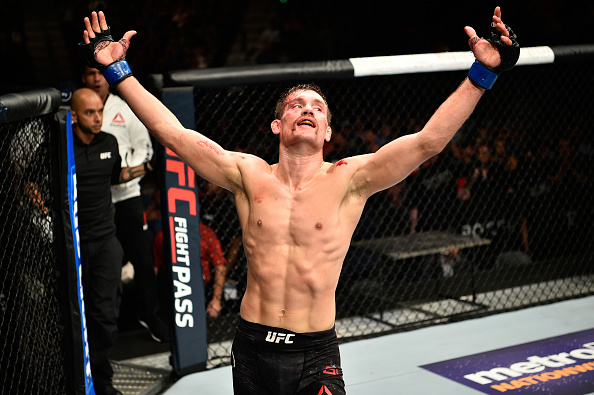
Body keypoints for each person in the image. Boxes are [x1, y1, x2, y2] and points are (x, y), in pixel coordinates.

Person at [79, 7, 519, 394]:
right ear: (277, 125)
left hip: (315, 353)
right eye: (295, 104)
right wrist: (119, 73)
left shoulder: (352, 179)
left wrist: (482, 75)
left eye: (317, 107)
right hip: (251, 346)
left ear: (327, 131)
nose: (306, 109)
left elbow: (428, 143)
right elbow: (174, 133)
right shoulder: (247, 174)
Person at [70, 87, 153, 395]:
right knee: (76, 315)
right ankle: (78, 379)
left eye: (100, 112)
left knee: (105, 316)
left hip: (105, 240)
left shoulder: (109, 141)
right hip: (74, 242)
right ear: (75, 115)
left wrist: (148, 167)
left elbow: (116, 176)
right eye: (90, 113)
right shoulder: (63, 146)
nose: (97, 118)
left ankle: (102, 383)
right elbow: (32, 181)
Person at [80, 65, 169, 343]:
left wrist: (121, 173)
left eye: (99, 74)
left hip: (128, 196)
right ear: (83, 78)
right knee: (95, 263)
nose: (96, 78)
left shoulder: (125, 107)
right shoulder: (76, 109)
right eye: (90, 74)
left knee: (142, 259)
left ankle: (151, 315)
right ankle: (96, 328)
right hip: (94, 200)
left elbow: (145, 147)